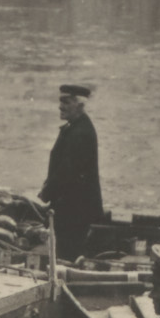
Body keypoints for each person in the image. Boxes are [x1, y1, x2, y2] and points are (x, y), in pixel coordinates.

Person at [37, 83, 105, 261]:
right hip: (74, 209)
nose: (60, 106)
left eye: (66, 102)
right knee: (68, 254)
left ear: (80, 105)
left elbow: (66, 173)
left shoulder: (80, 133)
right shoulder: (76, 127)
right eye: (61, 101)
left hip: (75, 212)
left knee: (67, 256)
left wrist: (47, 192)